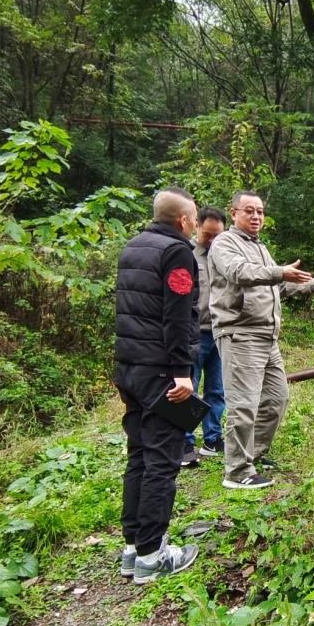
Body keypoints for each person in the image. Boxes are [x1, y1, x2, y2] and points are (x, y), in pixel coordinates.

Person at [206, 190, 314, 489]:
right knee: (244, 404)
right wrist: (280, 272)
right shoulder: (224, 243)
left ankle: (252, 455)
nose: (256, 216)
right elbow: (239, 272)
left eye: (260, 211)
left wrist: (313, 284)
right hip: (241, 334)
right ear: (234, 213)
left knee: (276, 398)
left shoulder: (260, 247)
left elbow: (276, 287)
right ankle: (237, 472)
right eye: (249, 211)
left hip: (267, 337)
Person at [113, 187, 200, 583]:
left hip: (130, 368)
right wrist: (182, 371)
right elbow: (177, 315)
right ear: (182, 220)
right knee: (163, 460)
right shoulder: (177, 252)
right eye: (193, 218)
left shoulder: (133, 247)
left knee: (139, 455)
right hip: (162, 373)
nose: (194, 225)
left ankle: (133, 547)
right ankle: (153, 555)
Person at [181, 205, 227, 468]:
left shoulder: (225, 257)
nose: (211, 240)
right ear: (196, 226)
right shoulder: (185, 255)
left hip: (220, 332)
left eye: (217, 236)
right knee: (189, 388)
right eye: (207, 234)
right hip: (194, 334)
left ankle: (213, 438)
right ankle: (185, 443)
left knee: (217, 390)